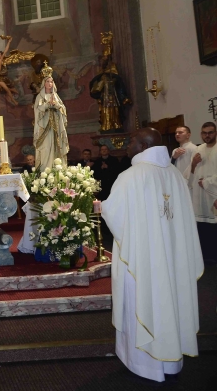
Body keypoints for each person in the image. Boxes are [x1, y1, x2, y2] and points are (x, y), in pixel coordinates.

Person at [102, 128, 203, 383]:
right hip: (172, 258)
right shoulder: (175, 175)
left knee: (143, 300)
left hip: (143, 260)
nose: (127, 146)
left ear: (144, 146)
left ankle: (144, 365)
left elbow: (116, 214)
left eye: (131, 141)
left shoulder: (131, 176)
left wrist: (100, 207)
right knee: (170, 301)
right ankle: (170, 364)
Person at [186, 121, 217, 265]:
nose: (207, 135)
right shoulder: (198, 149)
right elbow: (189, 174)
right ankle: (206, 258)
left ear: (215, 133)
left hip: (214, 195)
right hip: (200, 197)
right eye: (204, 133)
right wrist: (193, 164)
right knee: (203, 228)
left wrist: (207, 182)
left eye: (210, 132)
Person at [33, 64, 69, 170]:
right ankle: (46, 168)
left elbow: (63, 109)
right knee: (46, 146)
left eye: (51, 81)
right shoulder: (40, 96)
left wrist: (56, 105)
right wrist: (48, 104)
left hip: (56, 126)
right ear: (44, 83)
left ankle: (57, 168)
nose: (50, 83)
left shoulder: (56, 96)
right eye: (48, 81)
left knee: (57, 145)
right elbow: (38, 110)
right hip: (45, 127)